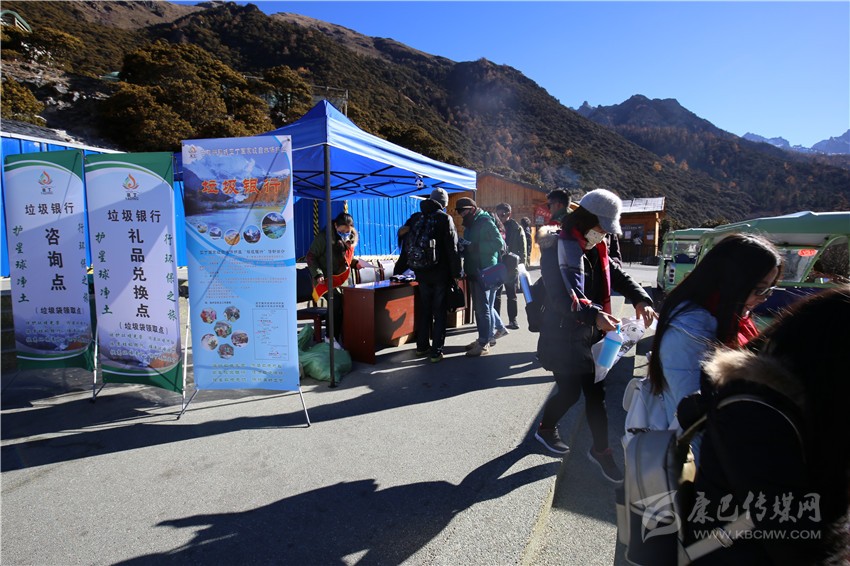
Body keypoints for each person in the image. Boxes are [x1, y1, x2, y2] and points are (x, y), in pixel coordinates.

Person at [684, 286, 850, 565]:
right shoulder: (754, 414)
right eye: (761, 287)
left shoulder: (810, 402)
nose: (765, 296)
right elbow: (796, 543)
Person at [534, 188, 656, 484]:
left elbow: (618, 275)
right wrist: (594, 315)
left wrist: (640, 298)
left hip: (591, 334)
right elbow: (560, 299)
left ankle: (601, 450)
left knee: (595, 393)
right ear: (587, 220)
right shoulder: (556, 247)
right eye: (602, 227)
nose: (604, 234)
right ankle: (546, 429)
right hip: (562, 337)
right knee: (570, 392)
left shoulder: (594, 247)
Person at [647, 233, 783, 429]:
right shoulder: (689, 332)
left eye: (770, 289)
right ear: (731, 282)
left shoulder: (730, 315)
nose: (765, 297)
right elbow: (694, 418)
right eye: (759, 289)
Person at [396, 188, 462, 363]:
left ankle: (421, 347)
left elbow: (406, 244)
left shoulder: (416, 217)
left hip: (420, 272)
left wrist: (399, 269)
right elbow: (452, 248)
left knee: (425, 310)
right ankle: (436, 352)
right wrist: (457, 273)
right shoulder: (444, 219)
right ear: (444, 203)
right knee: (439, 312)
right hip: (440, 274)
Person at [455, 197, 507, 357]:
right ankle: (483, 339)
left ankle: (484, 343)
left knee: (483, 309)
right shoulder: (471, 222)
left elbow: (499, 243)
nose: (461, 214)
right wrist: (464, 247)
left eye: (463, 211)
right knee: (482, 308)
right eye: (459, 212)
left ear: (471, 209)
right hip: (474, 269)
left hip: (485, 271)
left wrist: (476, 247)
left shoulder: (485, 221)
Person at [305, 212, 357, 344]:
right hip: (324, 280)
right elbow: (310, 256)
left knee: (346, 303)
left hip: (340, 280)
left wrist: (356, 263)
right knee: (335, 301)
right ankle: (329, 337)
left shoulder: (349, 238)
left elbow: (346, 259)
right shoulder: (324, 237)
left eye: (347, 231)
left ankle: (339, 338)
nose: (345, 233)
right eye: (342, 231)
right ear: (335, 225)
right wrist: (318, 274)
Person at [494, 203, 527, 330]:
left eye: (502, 215)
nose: (500, 217)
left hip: (511, 265)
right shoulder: (494, 226)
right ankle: (496, 321)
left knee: (511, 295)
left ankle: (513, 320)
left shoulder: (516, 228)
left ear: (509, 214)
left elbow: (523, 247)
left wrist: (522, 264)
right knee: (496, 294)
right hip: (497, 264)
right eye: (498, 215)